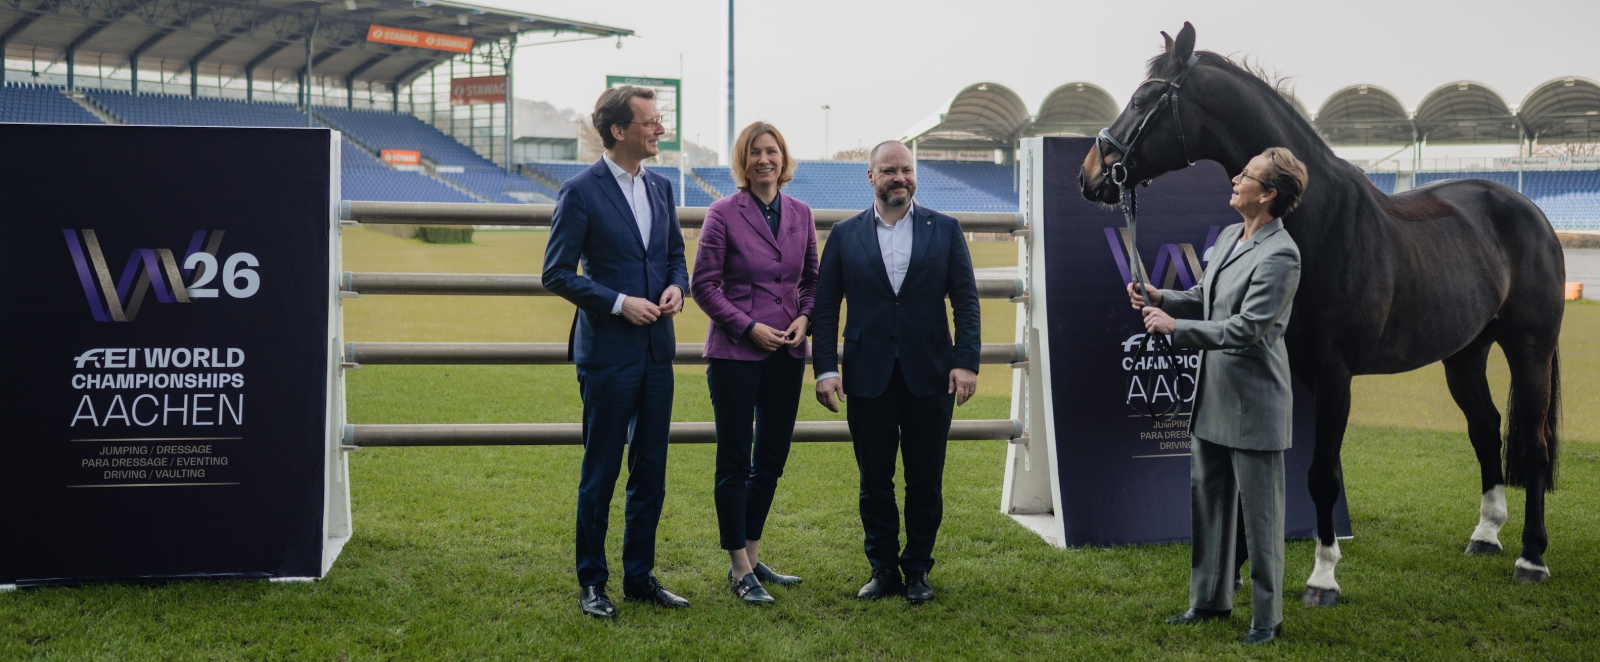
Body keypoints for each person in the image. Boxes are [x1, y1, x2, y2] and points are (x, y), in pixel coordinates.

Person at [1130, 147, 1307, 645]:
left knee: (1261, 519)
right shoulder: (1231, 235)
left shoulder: (1282, 254)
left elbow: (1248, 328)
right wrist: (1162, 297)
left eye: (1246, 175)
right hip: (1212, 397)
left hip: (1256, 406)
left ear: (1269, 194)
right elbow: (1208, 300)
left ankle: (1266, 619)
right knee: (1208, 505)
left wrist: (1174, 326)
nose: (1235, 178)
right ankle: (1207, 602)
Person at [811, 140, 981, 605]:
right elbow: (825, 309)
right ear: (871, 177)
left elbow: (965, 301)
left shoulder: (944, 229)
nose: (899, 178)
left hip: (931, 376)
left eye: (906, 170)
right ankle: (883, 567)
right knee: (874, 483)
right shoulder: (845, 235)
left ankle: (919, 569)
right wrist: (825, 369)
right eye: (889, 171)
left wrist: (965, 362)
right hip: (867, 378)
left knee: (925, 481)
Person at [543, 85, 690, 619]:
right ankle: (592, 583)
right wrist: (619, 303)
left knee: (651, 470)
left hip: (657, 351)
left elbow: (675, 256)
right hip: (607, 354)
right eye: (650, 122)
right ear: (620, 131)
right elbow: (555, 273)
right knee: (601, 472)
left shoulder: (662, 187)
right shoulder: (580, 191)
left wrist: (678, 287)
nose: (659, 130)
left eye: (658, 121)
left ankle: (640, 577)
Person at [691, 121, 818, 605]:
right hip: (735, 354)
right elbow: (704, 285)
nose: (765, 159)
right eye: (755, 152)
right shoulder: (722, 213)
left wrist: (805, 317)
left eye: (773, 151)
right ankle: (738, 567)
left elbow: (811, 278)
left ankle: (752, 551)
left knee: (770, 460)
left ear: (784, 159)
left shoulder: (801, 213)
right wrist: (747, 327)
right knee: (734, 461)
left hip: (787, 351)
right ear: (743, 162)